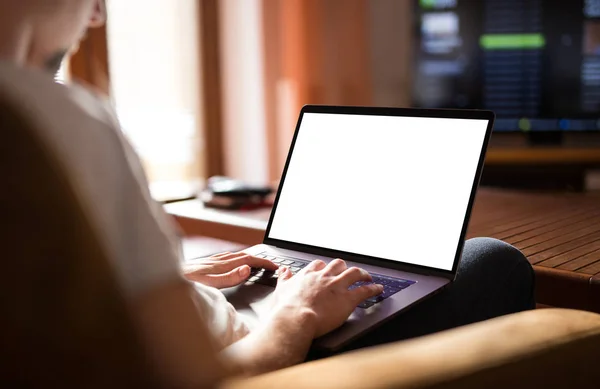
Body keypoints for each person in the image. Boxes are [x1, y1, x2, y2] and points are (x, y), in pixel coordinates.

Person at [0, 0, 535, 386]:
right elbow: (205, 378)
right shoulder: (50, 117)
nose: (94, 15)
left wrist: (168, 282)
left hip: (216, 319)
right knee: (495, 260)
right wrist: (295, 315)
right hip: (269, 354)